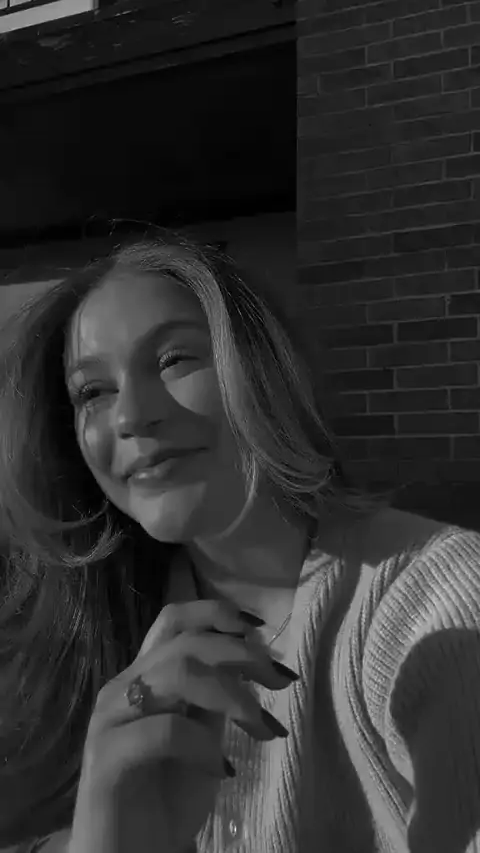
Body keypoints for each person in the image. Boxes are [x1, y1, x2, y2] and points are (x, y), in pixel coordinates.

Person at [0, 229, 479, 853]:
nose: (130, 416)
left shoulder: (434, 607)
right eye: (93, 391)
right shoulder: (84, 639)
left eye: (174, 360)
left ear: (263, 369)